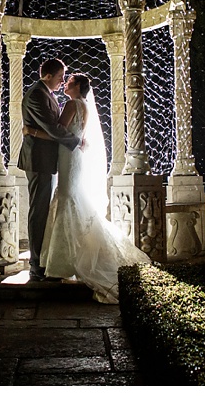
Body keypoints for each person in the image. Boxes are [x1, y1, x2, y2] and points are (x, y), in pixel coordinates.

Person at [23, 73, 151, 303]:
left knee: (67, 199)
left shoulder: (72, 104)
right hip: (72, 157)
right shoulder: (84, 105)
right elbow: (69, 134)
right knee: (70, 199)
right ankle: (67, 256)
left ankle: (62, 262)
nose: (65, 83)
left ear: (79, 86)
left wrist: (31, 132)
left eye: (69, 81)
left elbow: (58, 133)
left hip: (68, 155)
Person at [17, 58, 82, 282]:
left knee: (43, 209)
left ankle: (42, 259)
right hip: (38, 160)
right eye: (60, 76)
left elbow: (51, 128)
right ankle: (35, 264)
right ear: (48, 76)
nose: (62, 80)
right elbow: (53, 129)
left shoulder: (47, 94)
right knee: (38, 210)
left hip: (47, 159)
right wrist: (76, 141)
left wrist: (33, 132)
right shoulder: (37, 94)